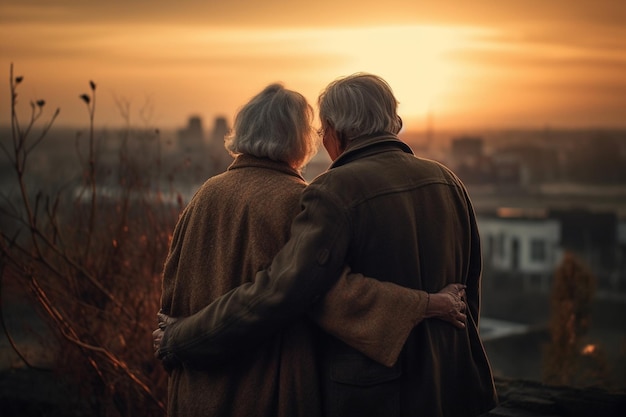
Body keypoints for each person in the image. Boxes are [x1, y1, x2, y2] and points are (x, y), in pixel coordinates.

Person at [156, 82, 469, 417]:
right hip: (263, 392)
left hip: (195, 388)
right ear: (300, 140)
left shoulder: (205, 193)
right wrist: (430, 304)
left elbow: (173, 286)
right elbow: (329, 297)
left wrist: (177, 338)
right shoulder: (298, 199)